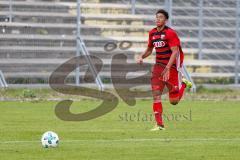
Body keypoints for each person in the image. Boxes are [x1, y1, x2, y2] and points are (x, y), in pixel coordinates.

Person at [137, 9, 192, 131]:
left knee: (174, 101)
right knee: (156, 94)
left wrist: (168, 68)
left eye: (160, 17)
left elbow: (175, 52)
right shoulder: (152, 33)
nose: (158, 19)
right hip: (158, 67)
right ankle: (159, 125)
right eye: (156, 17)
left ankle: (183, 84)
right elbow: (149, 50)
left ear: (165, 20)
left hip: (171, 67)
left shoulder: (170, 33)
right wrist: (141, 56)